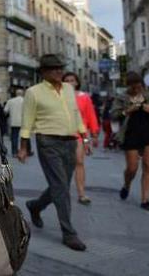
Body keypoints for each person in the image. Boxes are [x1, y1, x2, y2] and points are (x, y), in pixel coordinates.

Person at [19, 54, 88, 251]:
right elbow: (27, 121)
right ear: (43, 72)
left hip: (70, 142)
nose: (59, 71)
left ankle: (35, 206)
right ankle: (69, 233)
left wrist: (84, 136)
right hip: (48, 142)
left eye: (60, 68)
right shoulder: (34, 92)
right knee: (61, 186)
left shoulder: (69, 88)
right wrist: (23, 147)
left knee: (61, 185)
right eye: (53, 68)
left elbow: (75, 114)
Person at [111, 72, 149, 212]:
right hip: (130, 134)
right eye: (134, 87)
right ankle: (127, 185)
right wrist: (127, 111)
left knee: (148, 166)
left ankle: (145, 200)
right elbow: (113, 115)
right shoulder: (121, 98)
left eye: (139, 86)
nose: (137, 89)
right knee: (132, 168)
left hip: (148, 133)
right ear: (128, 86)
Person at [62, 72, 99, 206]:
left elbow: (91, 115)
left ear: (77, 82)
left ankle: (81, 193)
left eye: (72, 80)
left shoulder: (84, 97)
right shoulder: (58, 96)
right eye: (67, 81)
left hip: (78, 135)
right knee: (63, 166)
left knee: (79, 162)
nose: (70, 83)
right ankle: (62, 191)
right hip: (61, 134)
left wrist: (94, 134)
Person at [5, 88, 25, 156]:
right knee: (25, 137)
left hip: (13, 122)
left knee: (14, 137)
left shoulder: (10, 101)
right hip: (23, 122)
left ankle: (14, 152)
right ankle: (25, 151)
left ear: (16, 94)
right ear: (22, 94)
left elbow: (5, 111)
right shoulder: (25, 100)